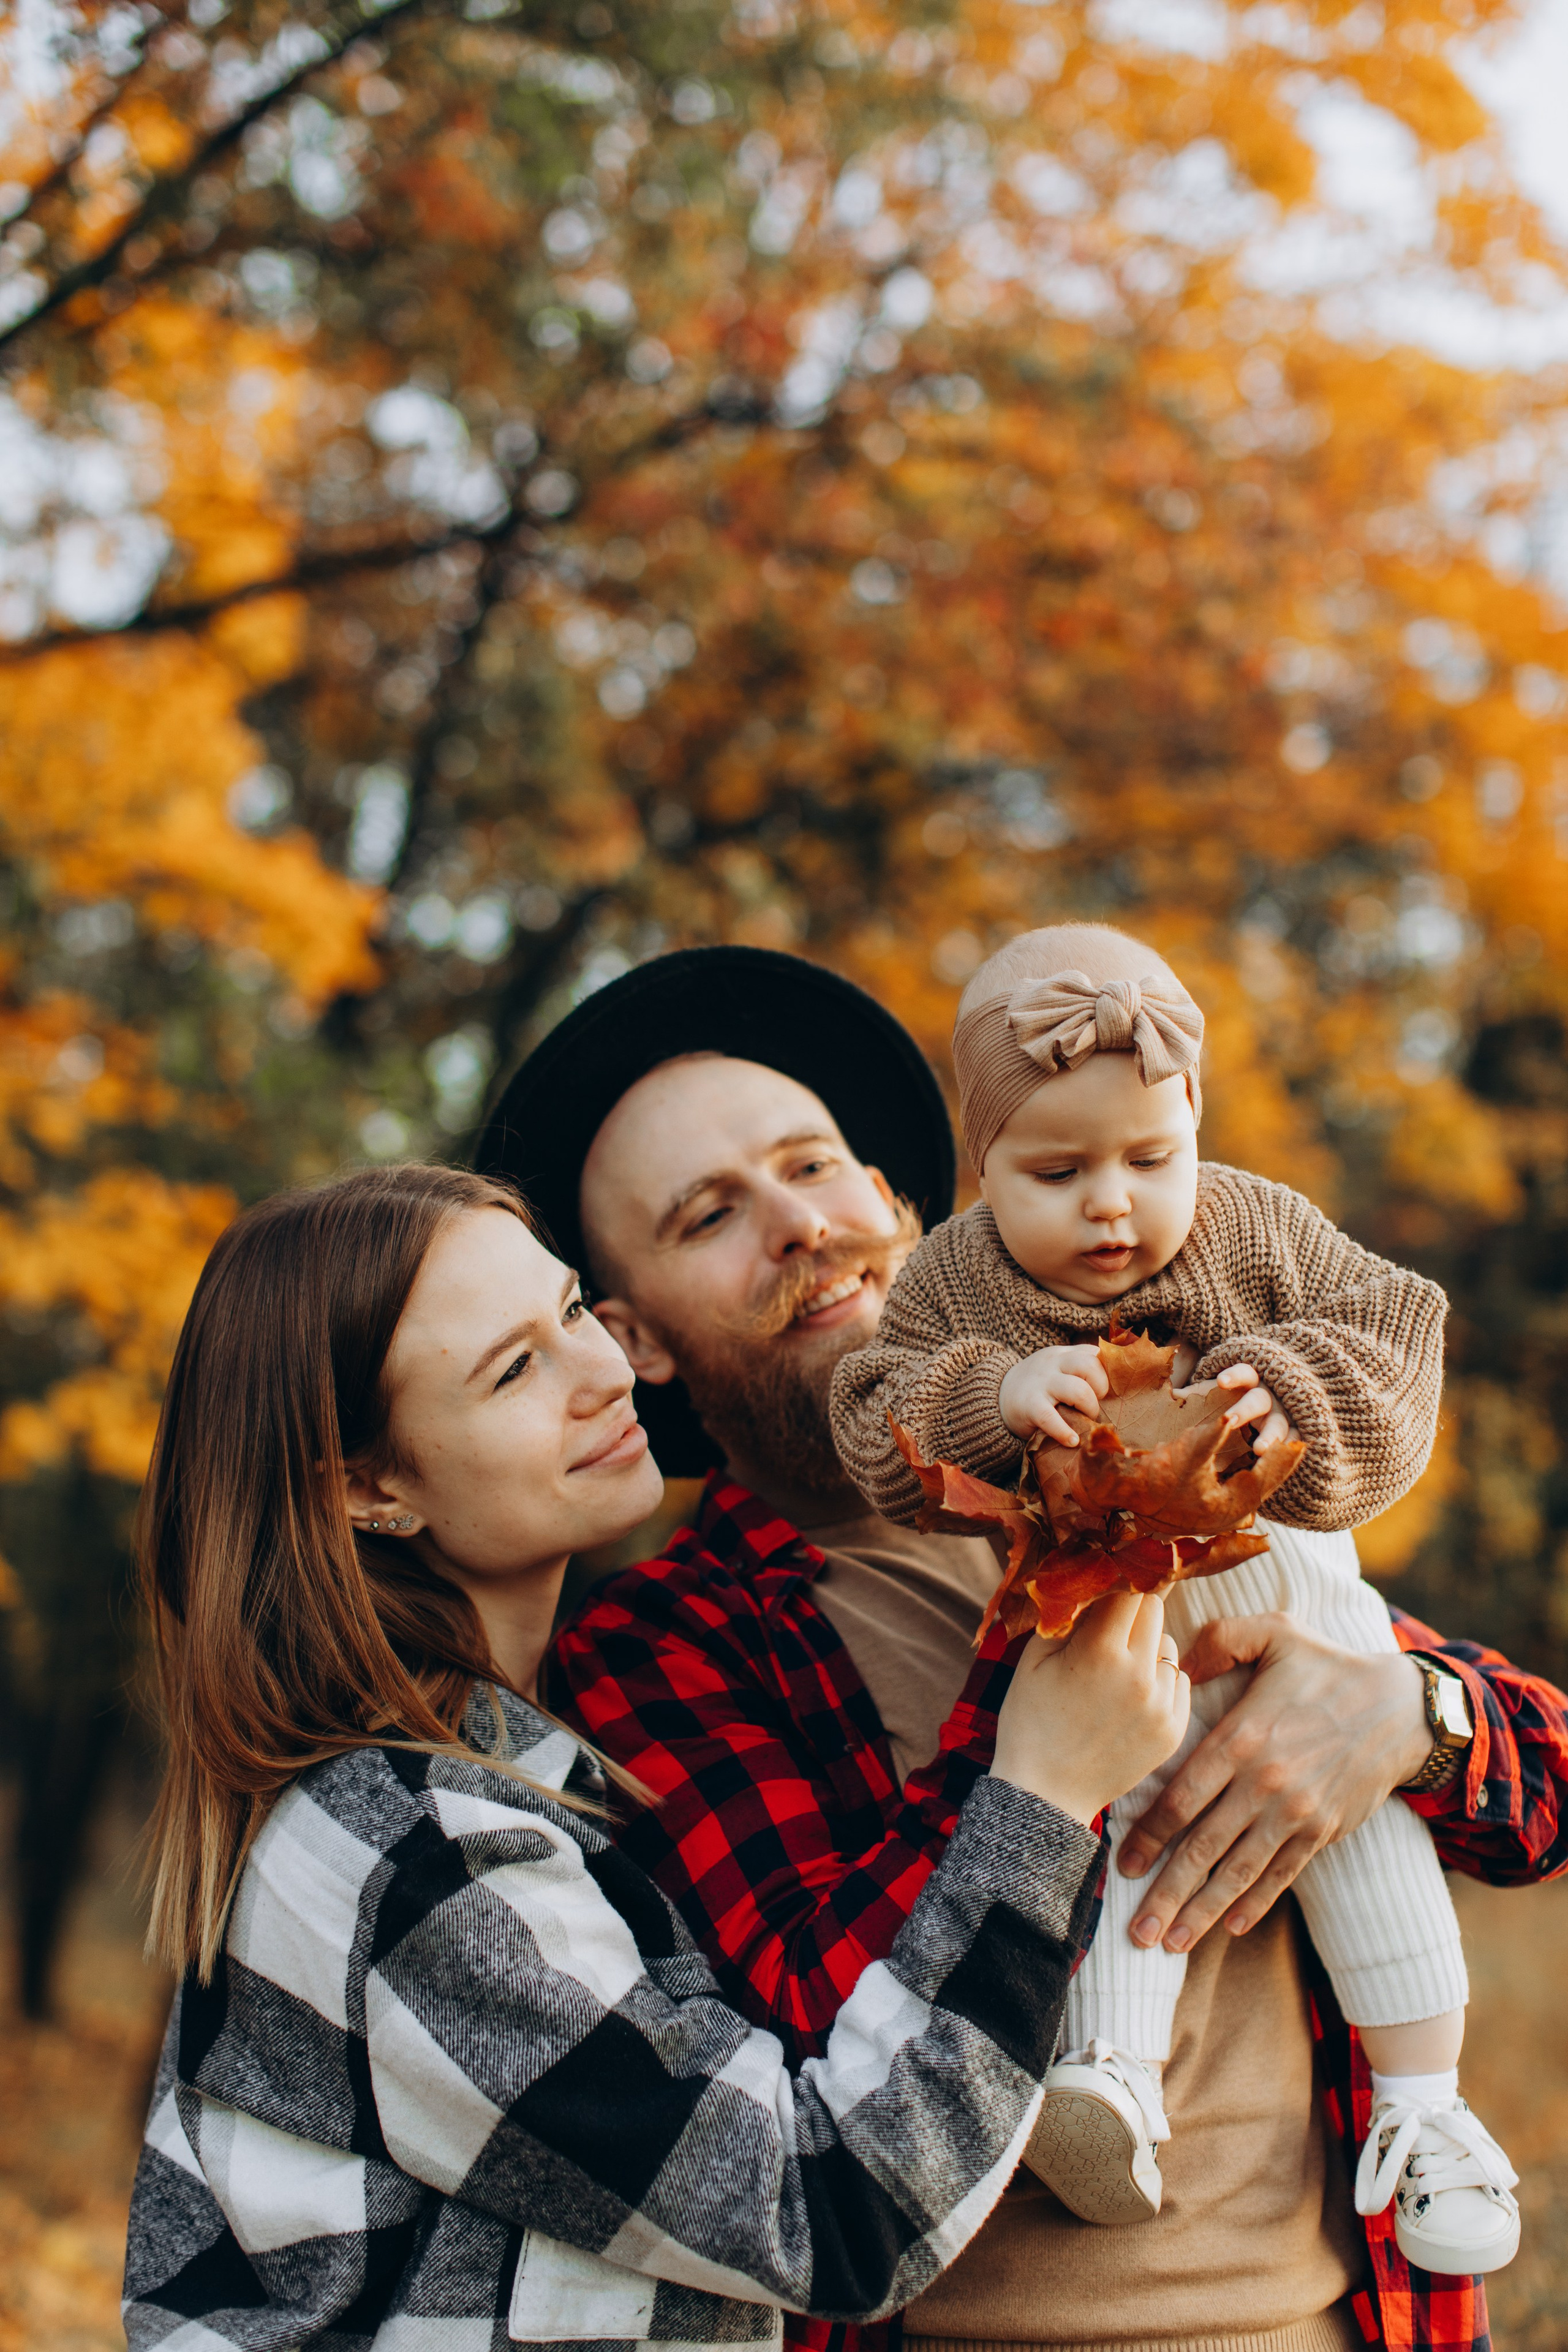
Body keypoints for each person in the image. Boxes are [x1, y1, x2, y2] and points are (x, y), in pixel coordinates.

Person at [497, 944, 1568, 2352]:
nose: (796, 1227)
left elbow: (1538, 1792)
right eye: (708, 1215)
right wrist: (1040, 1737)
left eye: (811, 1167)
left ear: (893, 1198)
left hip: (1349, 2320)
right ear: (632, 1336)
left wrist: (1408, 1720)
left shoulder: (1172, 1423)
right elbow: (803, 2036)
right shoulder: (659, 1647)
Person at [123, 1161, 1188, 2350]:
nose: (602, 1371)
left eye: (573, 1311)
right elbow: (830, 2212)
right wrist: (1040, 1792)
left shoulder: (516, 1784)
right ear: (369, 1488)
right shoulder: (410, 1850)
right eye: (515, 1368)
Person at [828, 921, 1517, 2273]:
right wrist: (994, 1396)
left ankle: (1426, 2110)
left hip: (1290, 1603)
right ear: (979, 1169)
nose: (1109, 1203)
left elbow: (1398, 1322)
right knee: (1122, 1829)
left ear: (1193, 1122)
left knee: (1358, 1832)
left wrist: (1296, 1386)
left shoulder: (1256, 1227)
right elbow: (875, 1410)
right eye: (1056, 1169)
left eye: (1149, 1159)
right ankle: (1110, 2079)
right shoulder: (956, 1277)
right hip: (1105, 1617)